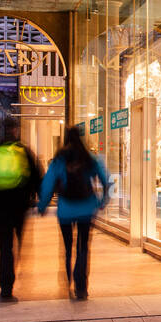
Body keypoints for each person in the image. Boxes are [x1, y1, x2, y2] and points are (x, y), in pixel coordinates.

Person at [38, 126, 110, 300]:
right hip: (86, 209)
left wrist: (43, 205)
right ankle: (81, 286)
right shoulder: (90, 158)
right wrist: (101, 201)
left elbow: (48, 184)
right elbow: (106, 180)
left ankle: (68, 278)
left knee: (68, 247)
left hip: (65, 210)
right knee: (83, 247)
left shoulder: (59, 160)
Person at [0, 116, 43, 302]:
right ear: (15, 130)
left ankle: (6, 286)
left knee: (4, 246)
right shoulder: (23, 151)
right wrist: (39, 199)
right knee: (18, 241)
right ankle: (15, 266)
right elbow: (38, 175)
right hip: (20, 205)